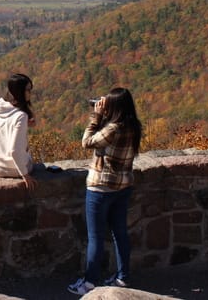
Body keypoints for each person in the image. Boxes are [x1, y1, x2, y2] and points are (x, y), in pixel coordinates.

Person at [67, 87, 142, 296]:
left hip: (100, 187)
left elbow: (86, 142)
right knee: (120, 233)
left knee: (96, 237)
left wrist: (96, 116)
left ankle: (89, 282)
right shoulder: (133, 126)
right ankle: (123, 278)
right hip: (123, 186)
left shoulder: (113, 129)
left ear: (114, 107)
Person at [0, 73, 37, 193]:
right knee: (29, 156)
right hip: (15, 169)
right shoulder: (21, 116)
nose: (30, 93)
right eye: (28, 90)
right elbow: (14, 151)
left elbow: (5, 127)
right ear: (20, 92)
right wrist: (25, 175)